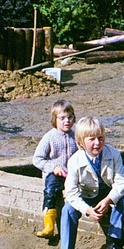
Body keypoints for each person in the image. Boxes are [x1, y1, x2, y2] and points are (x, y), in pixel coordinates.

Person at [54, 117, 124, 249]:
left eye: (100, 138)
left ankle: (113, 240)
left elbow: (122, 180)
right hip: (87, 196)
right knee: (68, 209)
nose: (97, 143)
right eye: (92, 139)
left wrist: (109, 200)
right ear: (81, 142)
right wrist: (87, 209)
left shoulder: (114, 154)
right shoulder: (75, 160)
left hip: (107, 193)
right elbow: (71, 192)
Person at [32, 100, 78, 239]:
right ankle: (49, 225)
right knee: (51, 189)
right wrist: (53, 167)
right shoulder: (50, 137)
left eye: (70, 117)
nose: (66, 121)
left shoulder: (76, 136)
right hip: (55, 173)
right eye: (62, 118)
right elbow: (37, 159)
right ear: (55, 120)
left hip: (72, 173)